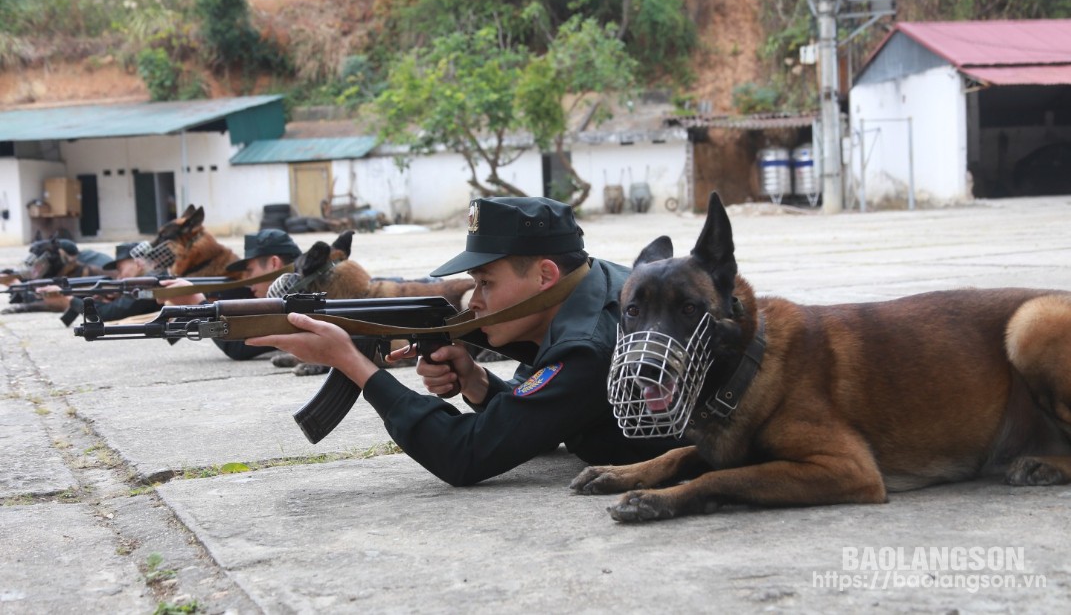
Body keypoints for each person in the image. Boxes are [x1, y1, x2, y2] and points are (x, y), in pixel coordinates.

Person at [247, 197, 687, 486]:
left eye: (485, 283)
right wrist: (477, 381)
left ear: (545, 276)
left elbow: (464, 454)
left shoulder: (587, 345)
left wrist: (353, 364)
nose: (474, 301)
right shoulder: (592, 283)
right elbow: (543, 417)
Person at [157, 228, 301, 360]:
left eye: (250, 271)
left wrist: (199, 304)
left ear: (274, 264)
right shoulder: (298, 287)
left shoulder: (299, 297)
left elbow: (240, 347)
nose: (246, 280)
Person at [44, 242, 161, 322]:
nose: (119, 277)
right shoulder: (153, 279)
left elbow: (104, 314)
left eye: (120, 270)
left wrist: (69, 299)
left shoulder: (148, 285)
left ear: (138, 264)